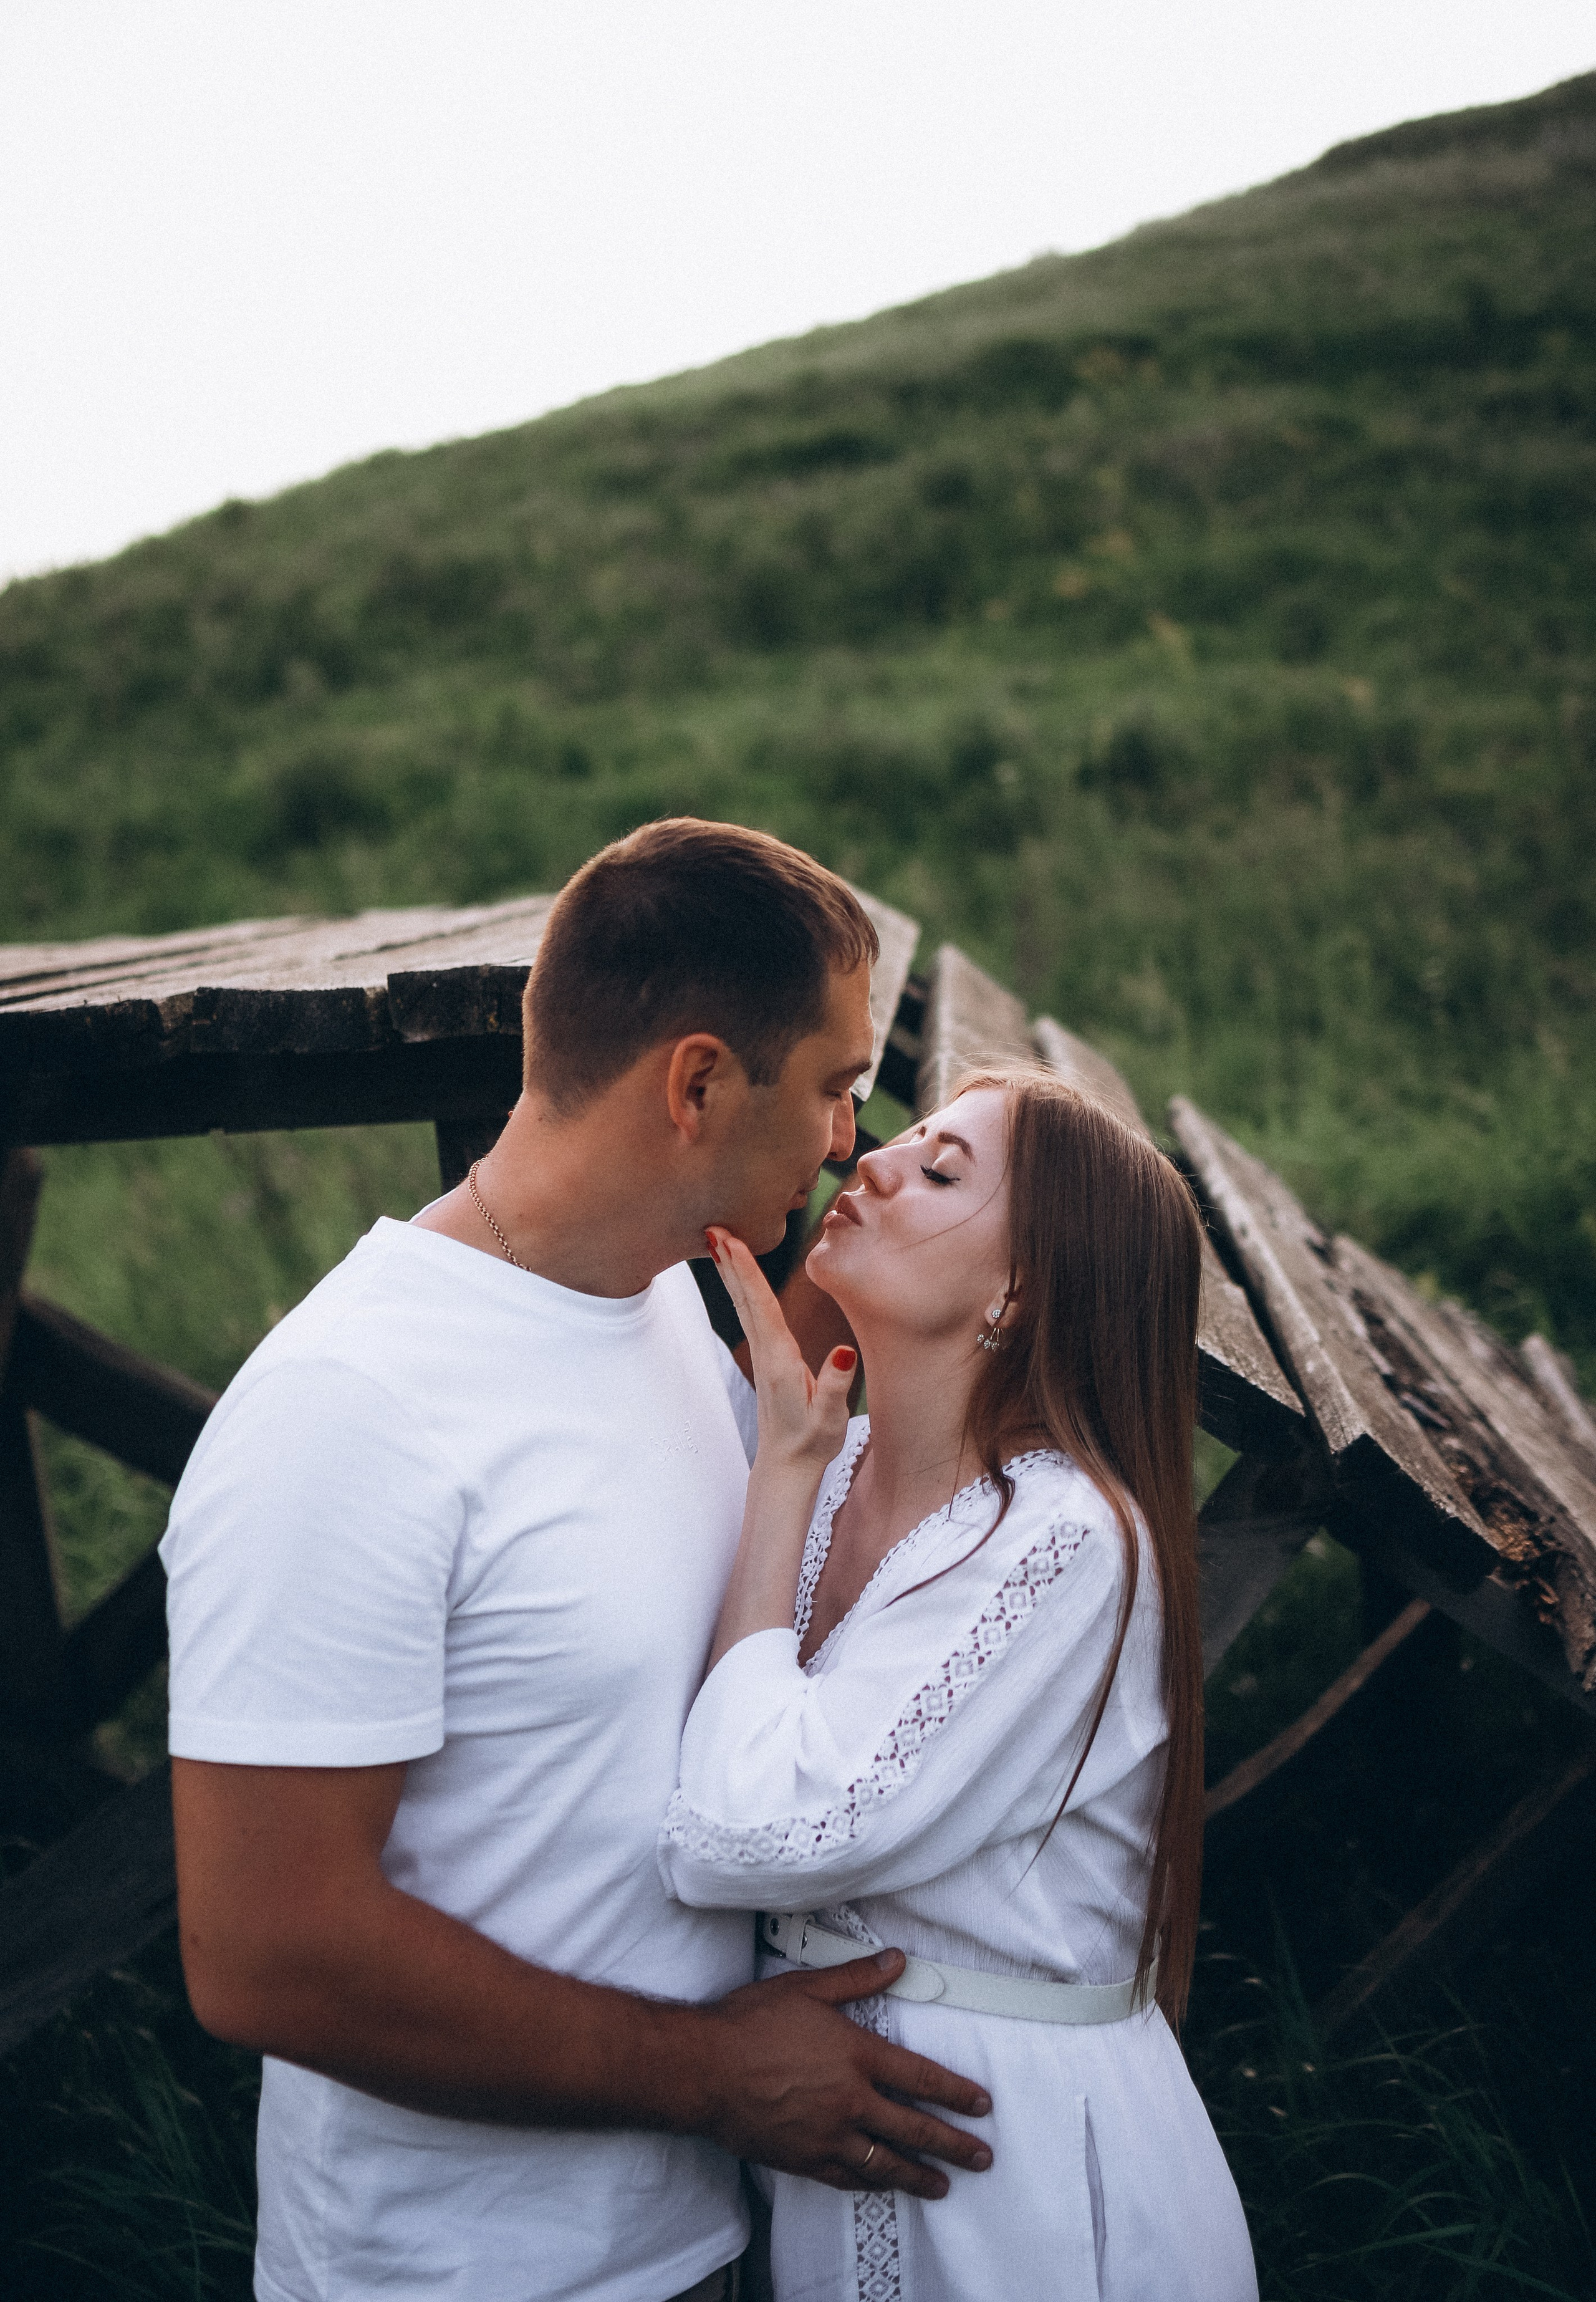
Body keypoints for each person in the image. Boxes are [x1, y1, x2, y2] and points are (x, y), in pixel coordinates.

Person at [161, 819, 993, 2302]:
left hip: (702, 2233)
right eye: (832, 1089)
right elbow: (264, 1947)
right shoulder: (350, 1410)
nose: (845, 1142)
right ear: (694, 1081)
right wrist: (714, 2076)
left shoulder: (665, 1306)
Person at [660, 1069, 1259, 2301]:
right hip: (828, 2152)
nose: (867, 1164)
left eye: (938, 1173)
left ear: (1019, 1290)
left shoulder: (1066, 1538)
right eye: (899, 1144)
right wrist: (792, 1468)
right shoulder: (842, 1463)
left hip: (1007, 2174)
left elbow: (745, 1834)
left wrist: (777, 1476)